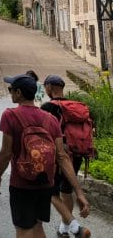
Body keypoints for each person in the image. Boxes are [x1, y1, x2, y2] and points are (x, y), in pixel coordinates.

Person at [0, 74, 90, 238]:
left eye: (11, 90)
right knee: (37, 227)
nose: (10, 93)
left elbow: (6, 152)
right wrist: (79, 192)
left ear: (19, 93)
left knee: (23, 230)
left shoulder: (9, 115)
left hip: (21, 184)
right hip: (45, 184)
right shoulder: (50, 120)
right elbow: (62, 157)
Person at [41, 74, 93, 238]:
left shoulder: (49, 107)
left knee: (52, 193)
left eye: (45, 87)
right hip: (77, 153)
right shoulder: (77, 106)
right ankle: (64, 229)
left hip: (59, 157)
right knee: (66, 190)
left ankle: (75, 227)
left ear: (50, 87)